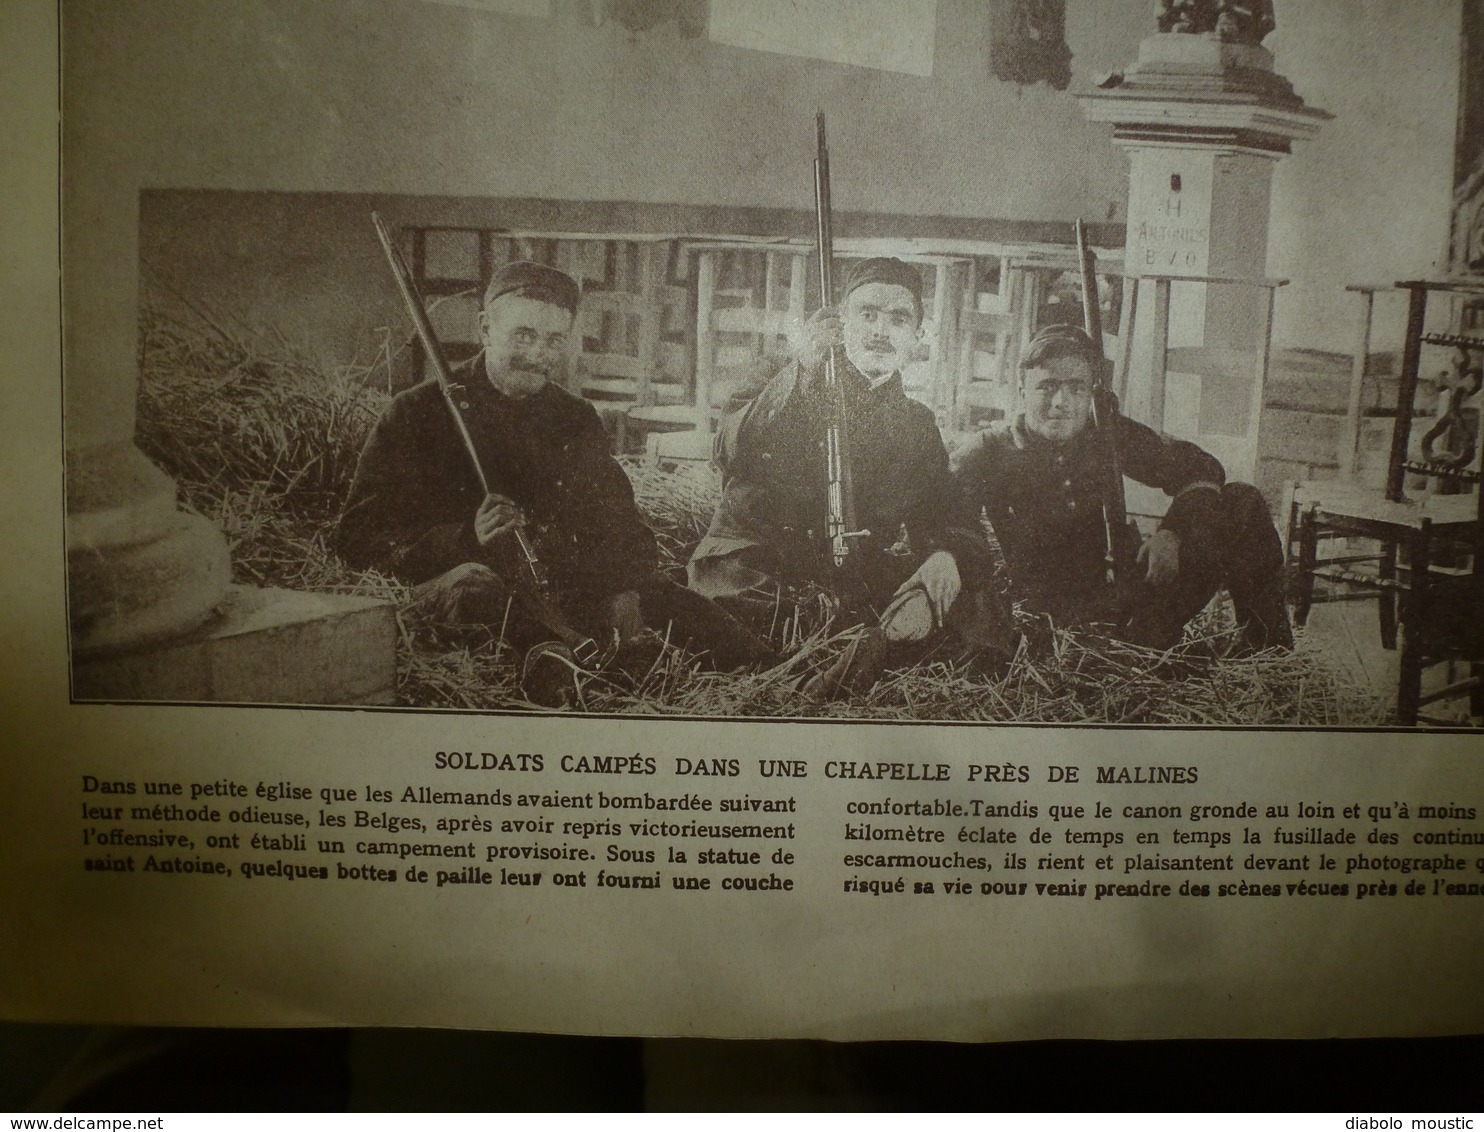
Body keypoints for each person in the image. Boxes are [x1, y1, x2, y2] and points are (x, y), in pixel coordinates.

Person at [334, 260, 770, 705]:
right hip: (469, 589)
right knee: (473, 585)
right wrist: (468, 538)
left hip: (560, 585)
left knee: (685, 610)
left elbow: (620, 525)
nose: (538, 354)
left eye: (555, 340)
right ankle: (554, 662)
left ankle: (770, 677)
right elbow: (356, 538)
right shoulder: (414, 414)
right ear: (486, 328)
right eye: (523, 335)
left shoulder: (575, 419)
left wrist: (624, 591)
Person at [688, 257, 1013, 697]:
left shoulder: (916, 424)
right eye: (867, 314)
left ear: (918, 337)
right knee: (728, 613)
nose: (881, 330)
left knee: (977, 607)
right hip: (756, 559)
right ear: (840, 323)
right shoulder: (777, 375)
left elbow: (947, 513)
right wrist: (802, 372)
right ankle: (848, 662)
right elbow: (729, 451)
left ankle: (850, 658)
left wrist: (946, 558)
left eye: (899, 318)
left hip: (848, 571)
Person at [951, 322, 1292, 653]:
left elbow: (1201, 467)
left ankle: (1266, 654)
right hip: (1047, 621)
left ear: (1091, 394)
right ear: (1022, 389)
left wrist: (1173, 532)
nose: (1061, 402)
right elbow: (948, 523)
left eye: (1077, 387)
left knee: (1241, 502)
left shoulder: (1107, 435)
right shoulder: (988, 451)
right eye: (1047, 386)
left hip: (1130, 601)